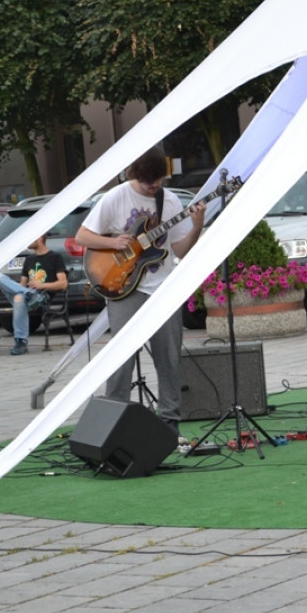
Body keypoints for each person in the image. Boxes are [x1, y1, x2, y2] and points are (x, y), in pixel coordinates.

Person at [75, 146, 205, 440]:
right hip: (124, 288)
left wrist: (196, 227)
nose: (153, 186)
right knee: (120, 357)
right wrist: (113, 244)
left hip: (162, 288)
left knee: (169, 358)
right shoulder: (116, 196)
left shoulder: (169, 201)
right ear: (136, 174)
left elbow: (179, 250)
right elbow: (82, 236)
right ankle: (113, 424)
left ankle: (170, 423)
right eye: (148, 181)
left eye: (158, 179)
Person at [0, 235, 68, 356]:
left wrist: (42, 285)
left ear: (39, 238)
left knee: (18, 298)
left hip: (42, 298)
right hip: (29, 296)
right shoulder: (29, 260)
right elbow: (21, 286)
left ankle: (21, 342)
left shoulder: (55, 257)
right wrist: (26, 290)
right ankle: (30, 294)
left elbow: (63, 284)